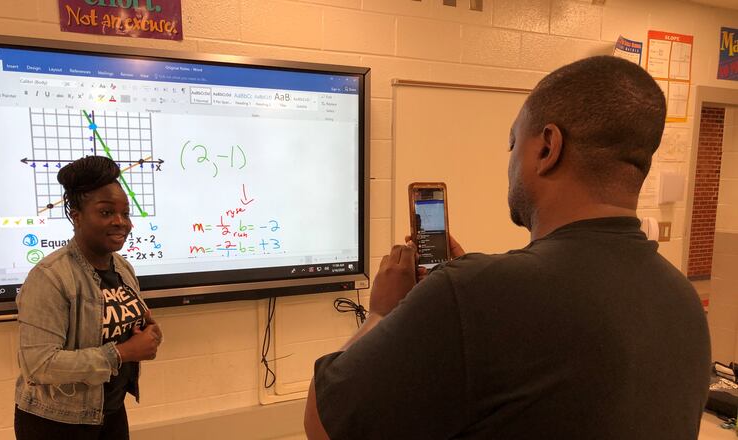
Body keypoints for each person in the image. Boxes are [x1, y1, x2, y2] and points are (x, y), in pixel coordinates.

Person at [304, 56, 711, 439]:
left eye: (513, 143)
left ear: (548, 147)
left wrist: (381, 312)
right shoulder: (683, 300)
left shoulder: (473, 293)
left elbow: (325, 425)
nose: (510, 161)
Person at [14, 156, 162, 439]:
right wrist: (123, 353)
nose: (121, 222)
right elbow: (39, 365)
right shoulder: (49, 277)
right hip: (57, 423)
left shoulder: (123, 267)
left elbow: (125, 330)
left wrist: (149, 335)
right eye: (106, 212)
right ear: (77, 216)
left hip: (110, 412)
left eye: (125, 213)